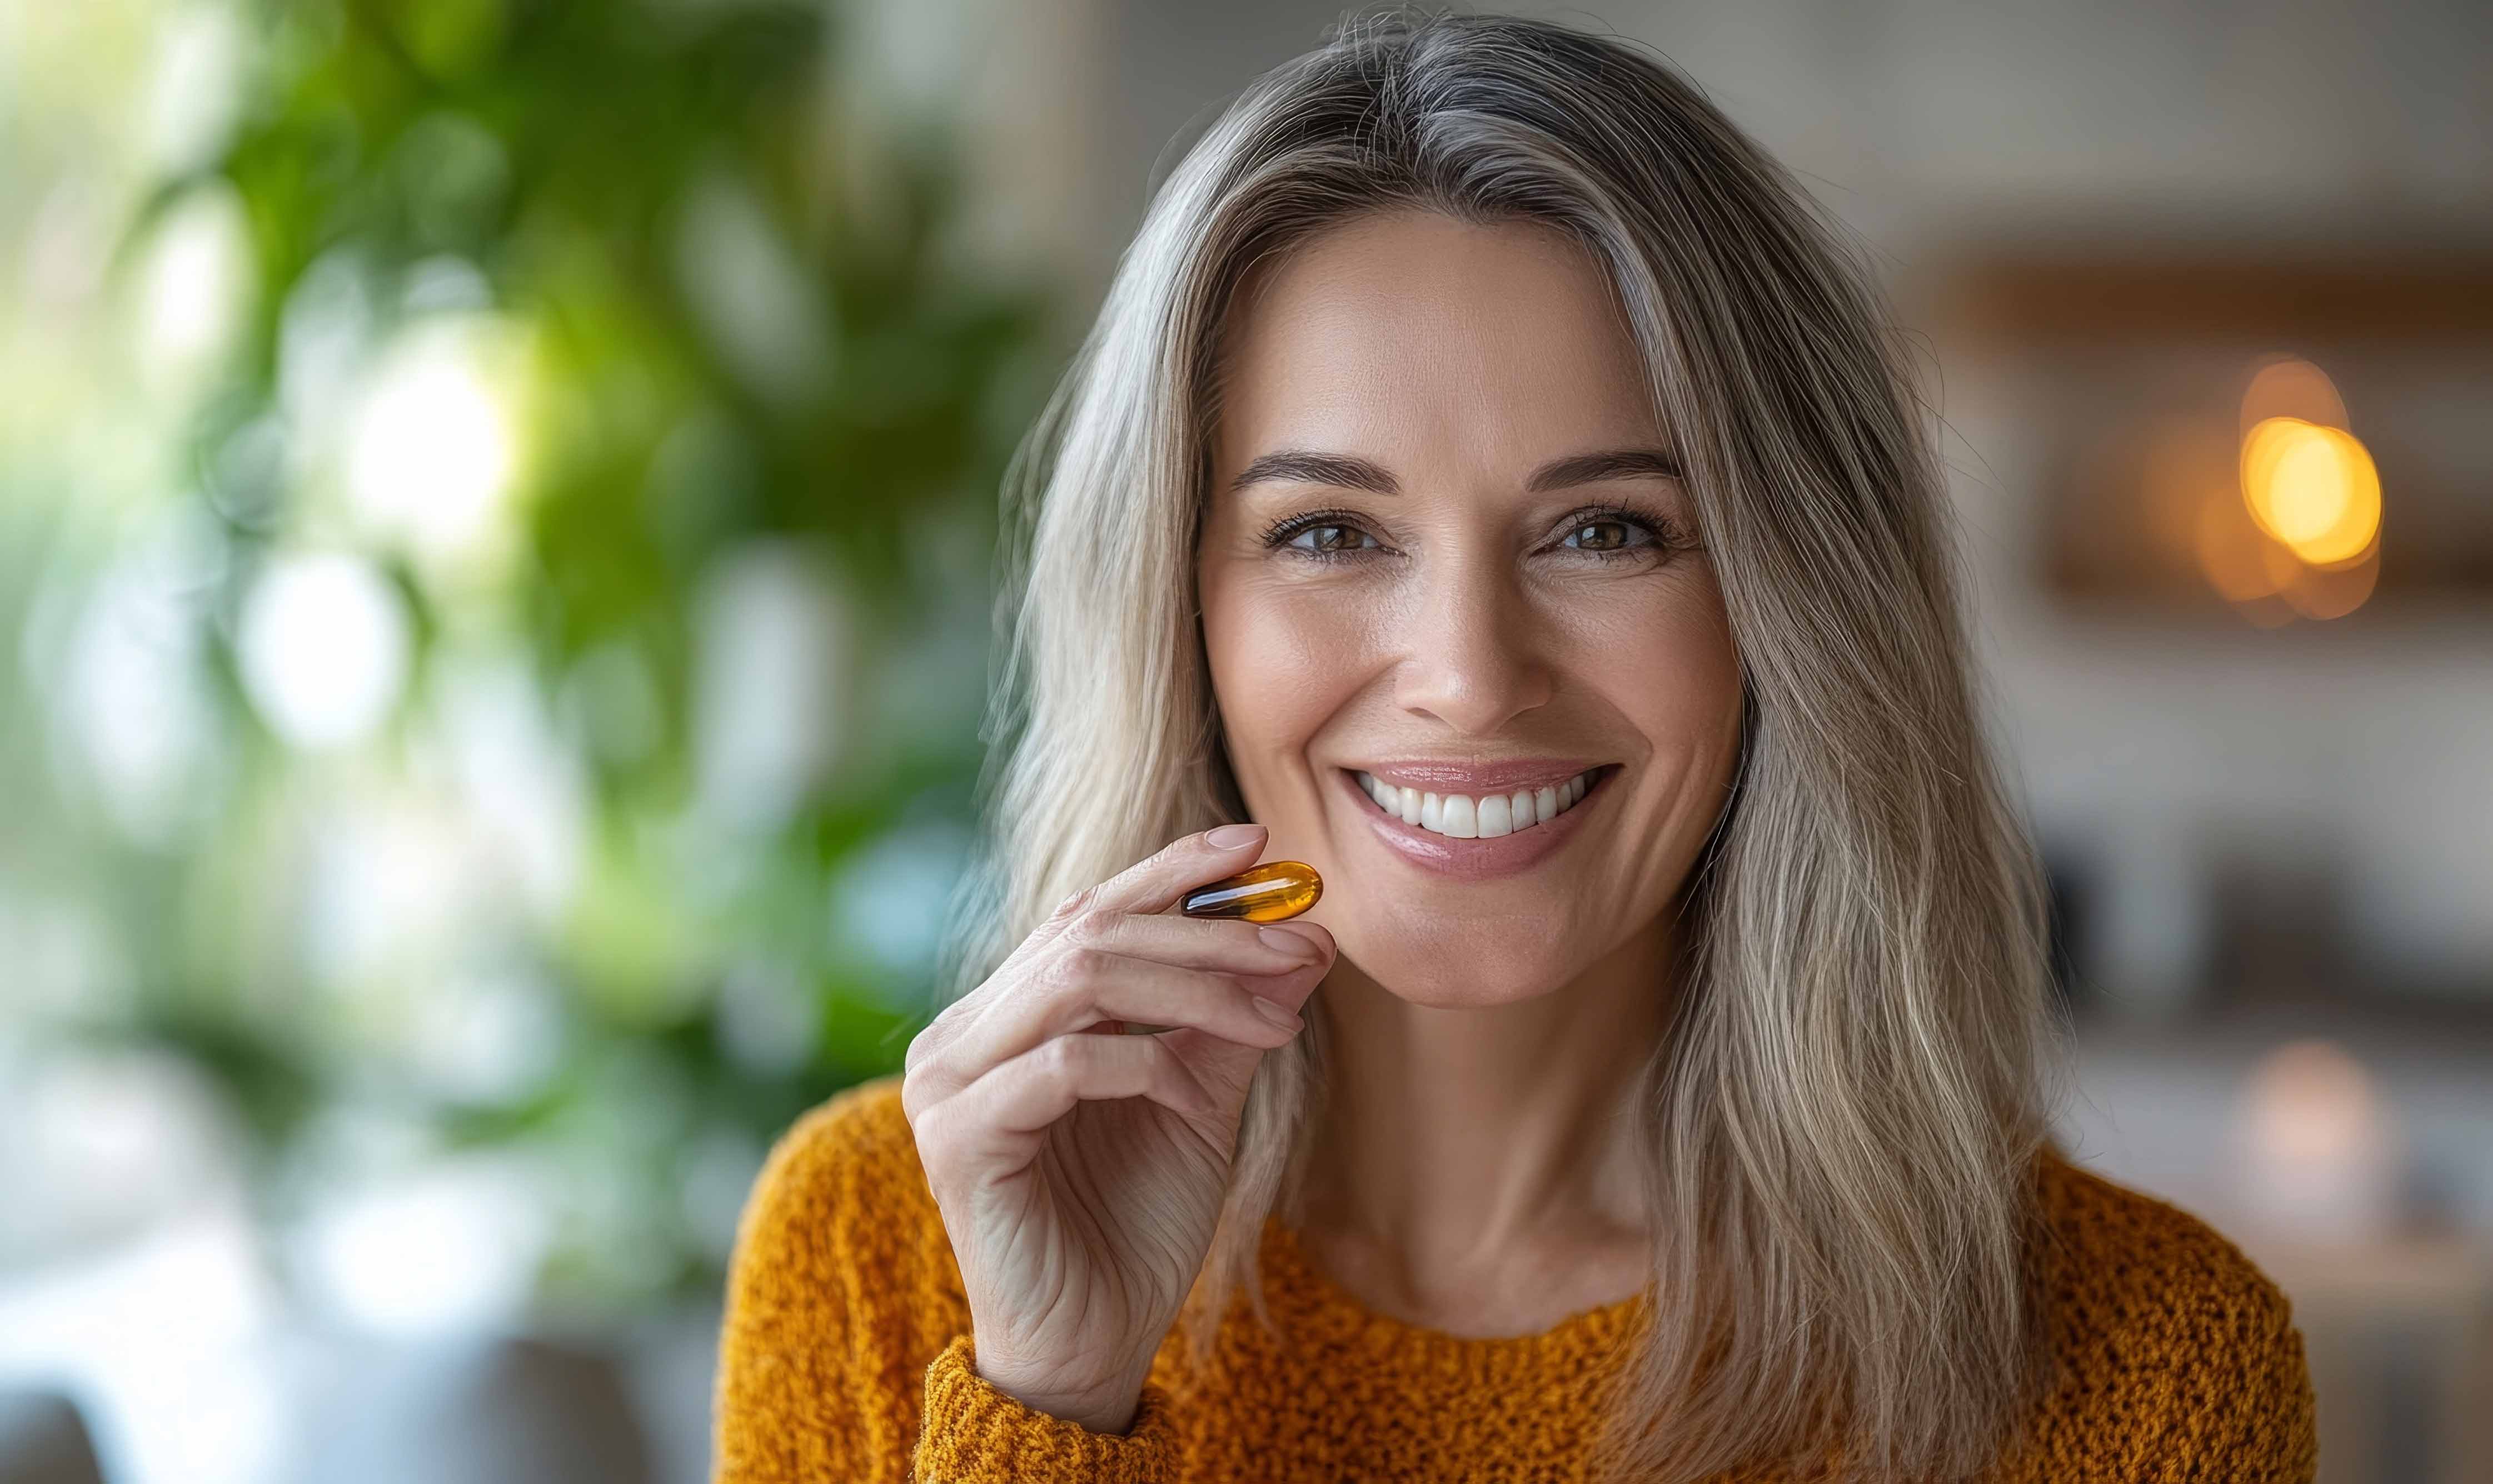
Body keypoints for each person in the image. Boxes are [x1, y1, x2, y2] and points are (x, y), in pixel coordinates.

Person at [710, 11, 2317, 1482]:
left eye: (1609, 529)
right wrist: (1051, 1398)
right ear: (1179, 607)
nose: (1470, 678)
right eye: (1331, 531)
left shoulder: (2144, 1371)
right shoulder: (878, 1257)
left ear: (1791, 604)